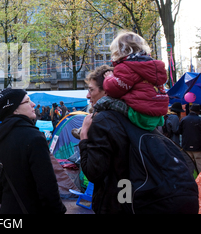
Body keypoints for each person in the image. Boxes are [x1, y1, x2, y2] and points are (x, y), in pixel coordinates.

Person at [79, 65, 198, 214]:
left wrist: (84, 137)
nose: (87, 96)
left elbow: (93, 172)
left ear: (106, 90)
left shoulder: (104, 120)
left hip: (117, 199)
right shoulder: (138, 116)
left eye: (91, 89)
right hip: (139, 195)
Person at [0, 88, 66, 214]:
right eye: (27, 101)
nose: (33, 104)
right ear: (15, 109)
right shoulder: (34, 138)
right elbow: (48, 188)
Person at [103, 30, 169, 130]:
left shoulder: (126, 67)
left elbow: (114, 89)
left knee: (104, 101)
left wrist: (109, 77)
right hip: (157, 116)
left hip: (139, 115)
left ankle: (88, 127)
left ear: (119, 51)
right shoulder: (152, 66)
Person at [178, 103, 201, 172]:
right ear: (198, 111)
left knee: (189, 165)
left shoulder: (184, 119)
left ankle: (190, 180)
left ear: (190, 110)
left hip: (186, 145)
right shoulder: (199, 120)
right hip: (198, 146)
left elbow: (179, 131)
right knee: (199, 164)